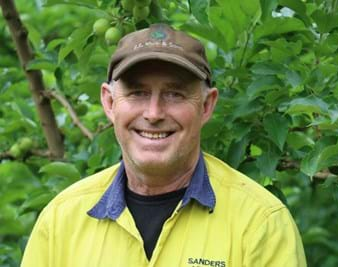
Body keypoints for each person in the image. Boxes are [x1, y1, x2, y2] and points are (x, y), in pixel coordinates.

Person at [21, 23, 306, 267]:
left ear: (206, 106)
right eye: (138, 93)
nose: (154, 113)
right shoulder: (61, 220)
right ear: (109, 102)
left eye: (174, 94)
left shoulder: (261, 223)